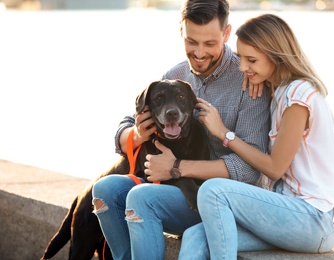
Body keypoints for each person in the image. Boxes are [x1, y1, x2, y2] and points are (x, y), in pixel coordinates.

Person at [91, 1, 270, 259]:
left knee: (142, 198)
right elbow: (124, 128)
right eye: (191, 41)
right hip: (176, 190)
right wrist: (137, 134)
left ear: (227, 34)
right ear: (181, 32)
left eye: (210, 43)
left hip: (220, 201)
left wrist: (176, 167)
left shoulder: (248, 80)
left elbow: (251, 170)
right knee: (105, 189)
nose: (199, 53)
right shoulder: (175, 74)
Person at [178, 13, 334, 259]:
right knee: (196, 236)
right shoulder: (278, 90)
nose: (242, 67)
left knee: (214, 191)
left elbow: (275, 168)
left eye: (251, 60)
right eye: (240, 57)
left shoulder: (299, 95)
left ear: (275, 57)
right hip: (285, 212)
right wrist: (259, 77)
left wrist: (224, 133)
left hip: (316, 218)